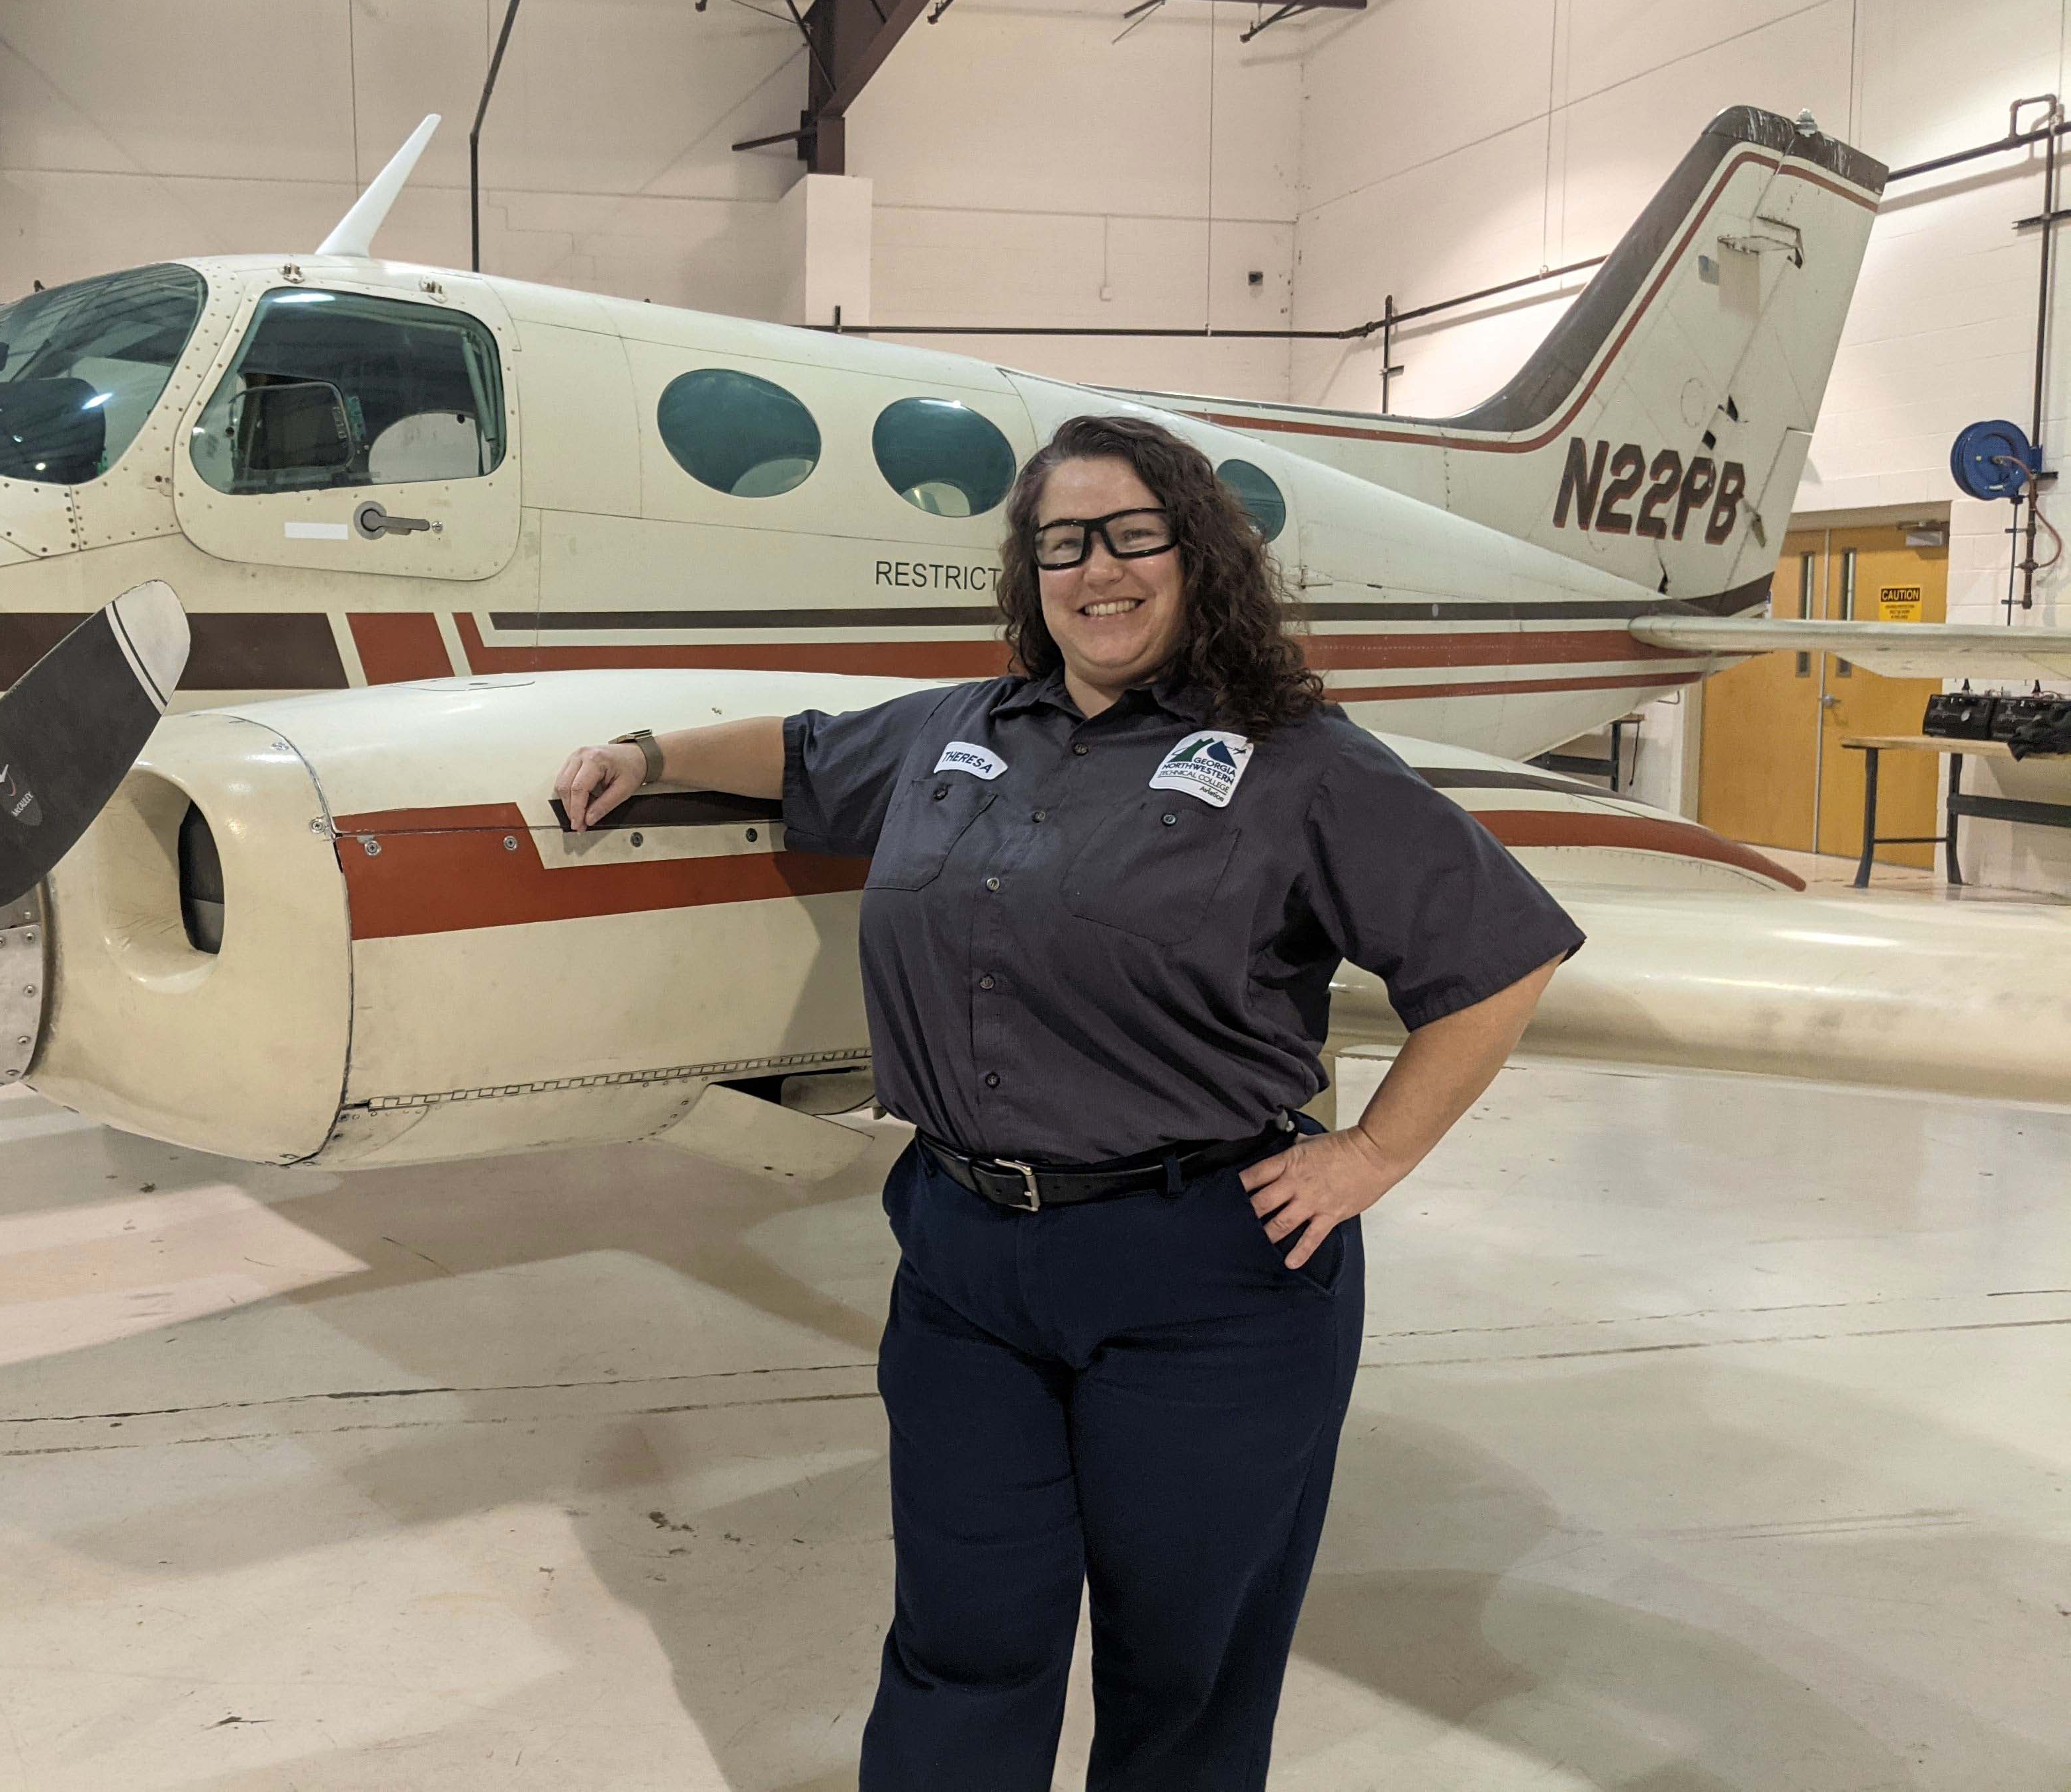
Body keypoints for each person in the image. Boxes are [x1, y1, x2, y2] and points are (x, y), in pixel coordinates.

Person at [552, 415, 1581, 1790]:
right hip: (968, 1265)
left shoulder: (1301, 762)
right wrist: (651, 751)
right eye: (1065, 544)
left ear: (1197, 555)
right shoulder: (963, 729)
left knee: (1184, 1665)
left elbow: (1499, 957)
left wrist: (1375, 1152)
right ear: (1030, 574)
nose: (1100, 569)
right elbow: (801, 755)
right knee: (961, 1639)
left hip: (1207, 1273)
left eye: (1134, 535)